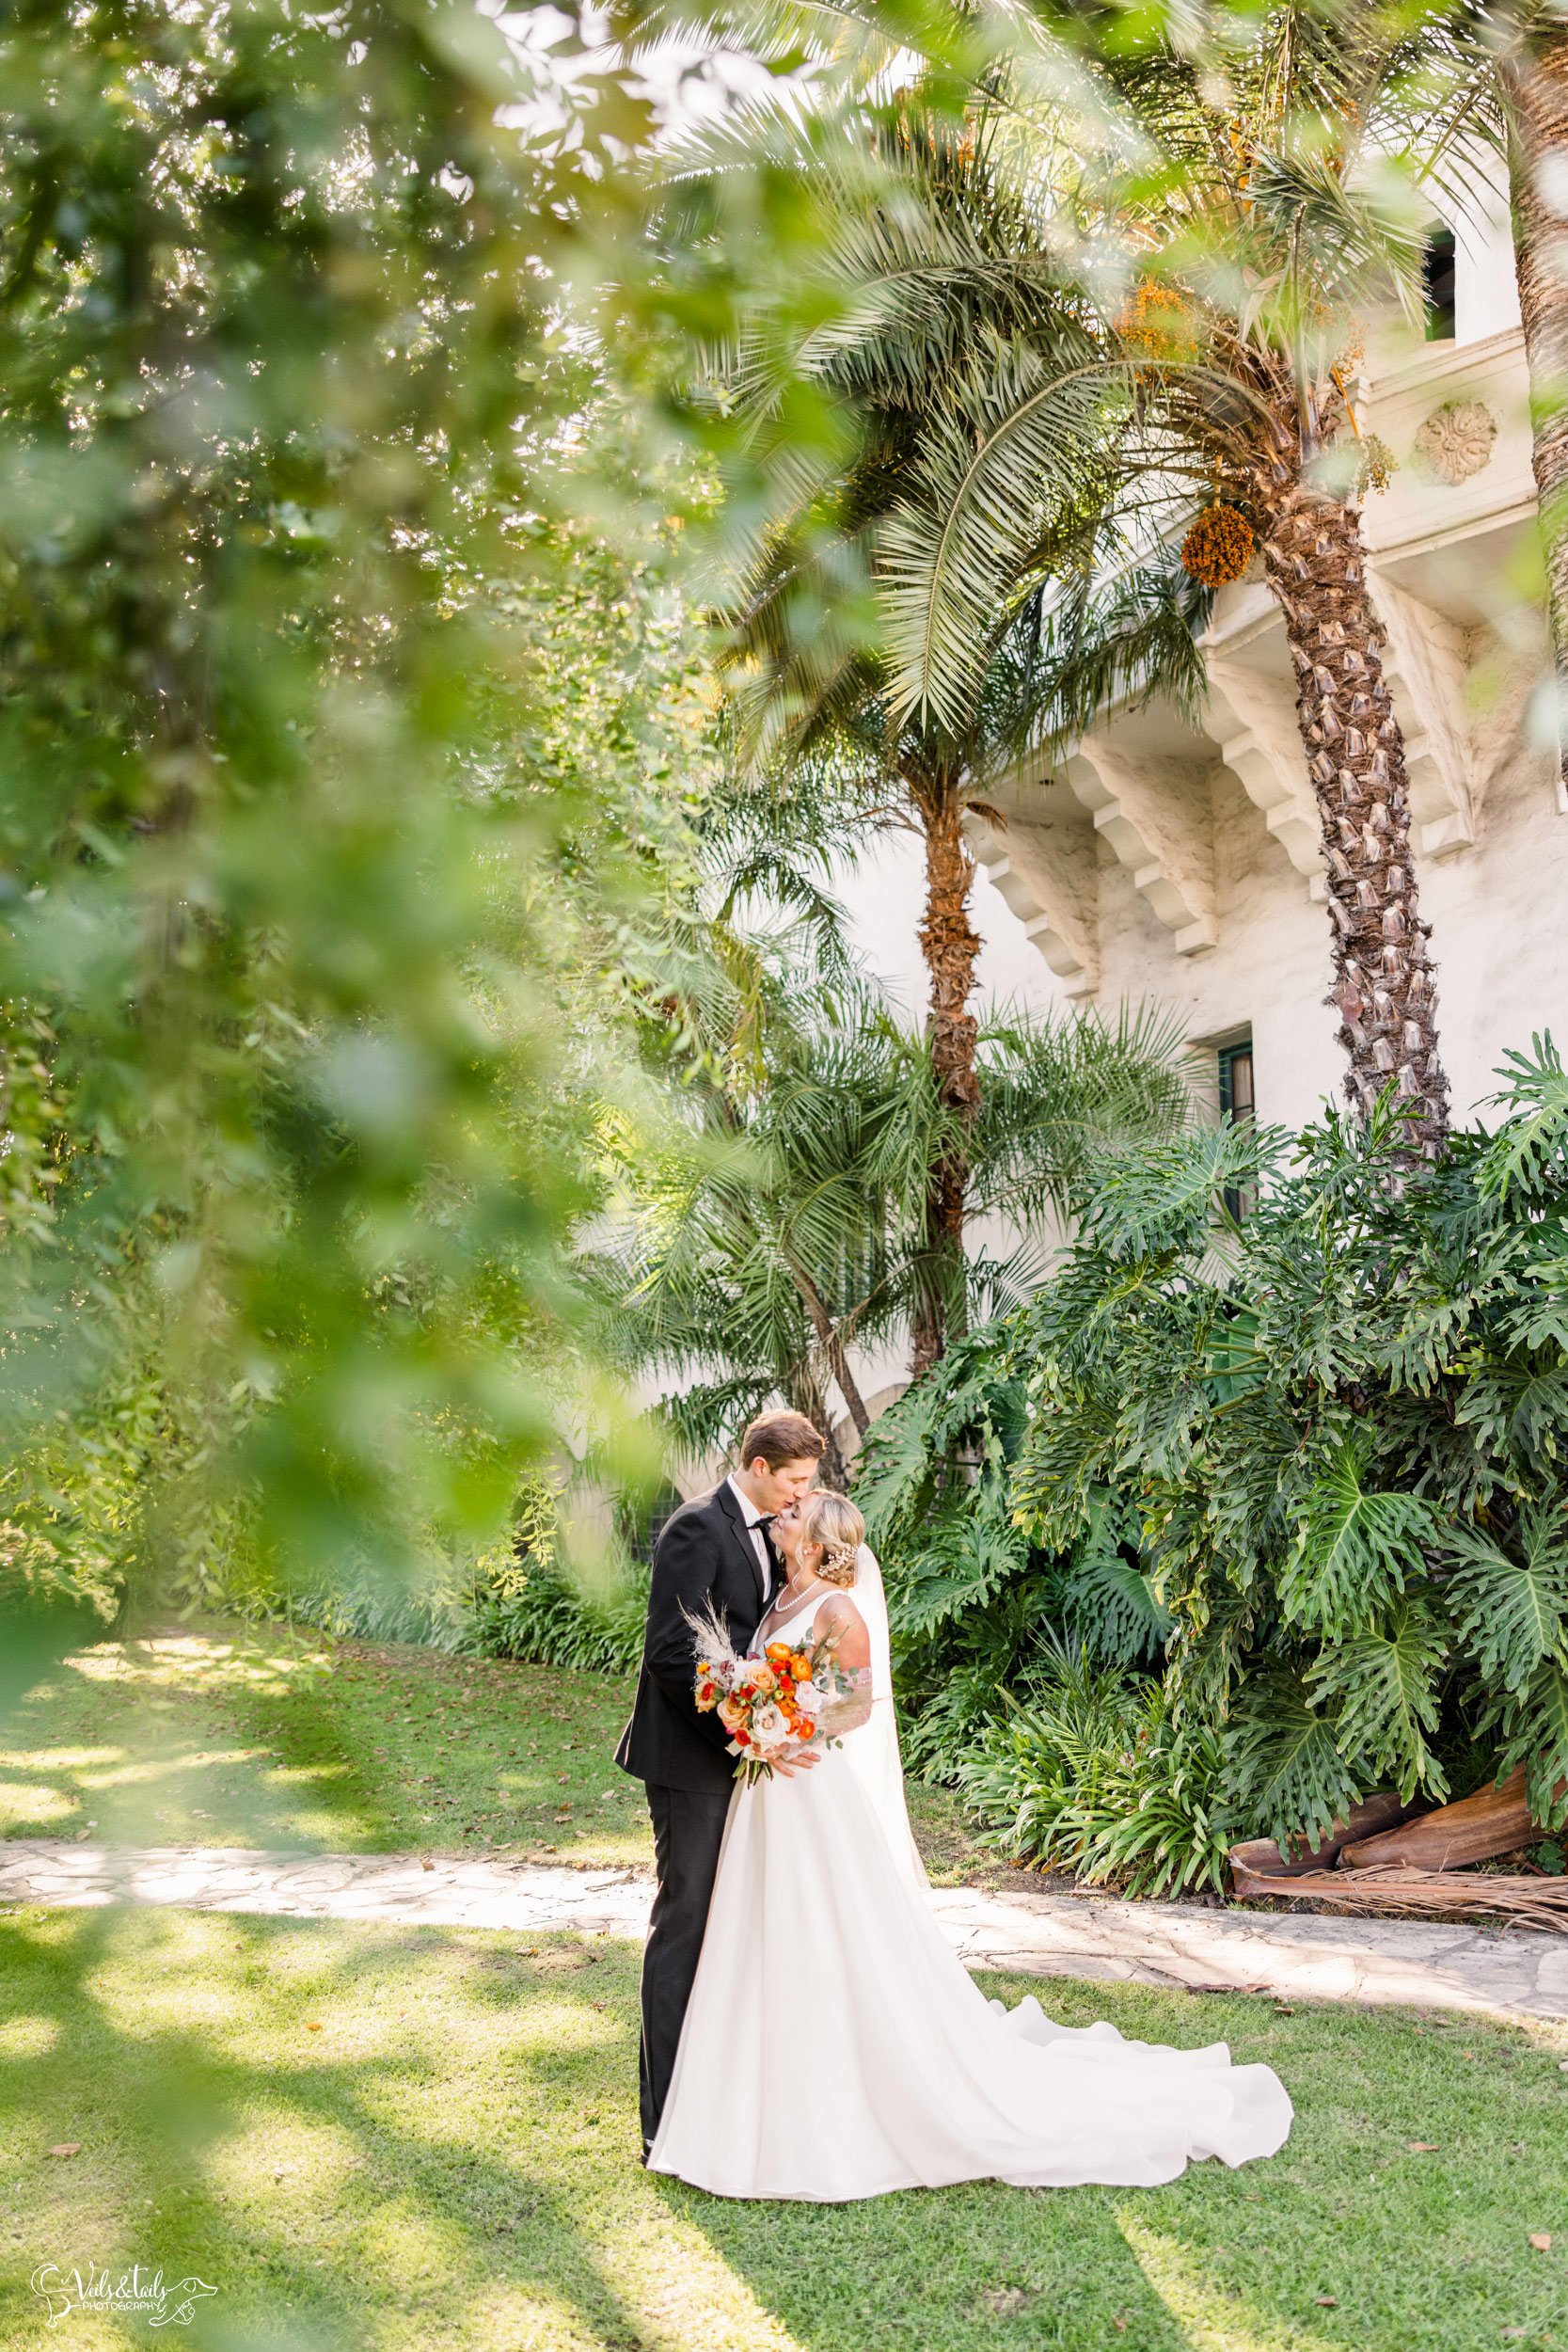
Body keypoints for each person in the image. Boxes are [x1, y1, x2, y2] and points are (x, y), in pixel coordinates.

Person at [646, 1489, 1294, 2202]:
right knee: (758, 1934)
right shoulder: (776, 1602)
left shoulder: (839, 1610)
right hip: (765, 1794)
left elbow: (859, 1704)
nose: (783, 1515)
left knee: (820, 1931)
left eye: (796, 1513)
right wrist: (754, 1719)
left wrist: (786, 1730)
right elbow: (761, 1679)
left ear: (816, 1540)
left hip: (810, 1791)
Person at [613, 1407, 826, 2157]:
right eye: (794, 1480)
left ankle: (718, 2098)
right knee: (685, 1927)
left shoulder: (771, 1530)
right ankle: (662, 2120)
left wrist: (768, 1729)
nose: (803, 1494)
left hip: (742, 1755)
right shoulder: (696, 1527)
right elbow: (674, 1655)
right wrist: (749, 1733)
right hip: (689, 1760)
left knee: (729, 1928)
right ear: (760, 1467)